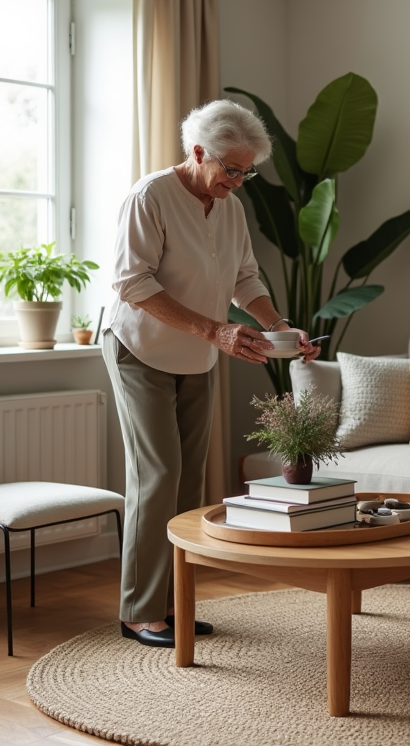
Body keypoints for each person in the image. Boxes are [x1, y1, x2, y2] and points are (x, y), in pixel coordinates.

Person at [103, 99, 320, 648]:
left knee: (189, 481)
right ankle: (139, 611)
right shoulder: (150, 196)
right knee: (158, 474)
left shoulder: (229, 208)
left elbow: (244, 278)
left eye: (247, 172)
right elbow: (132, 283)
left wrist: (279, 327)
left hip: (196, 354)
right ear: (199, 152)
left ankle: (172, 604)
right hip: (140, 349)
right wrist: (215, 331)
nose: (238, 182)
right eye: (231, 169)